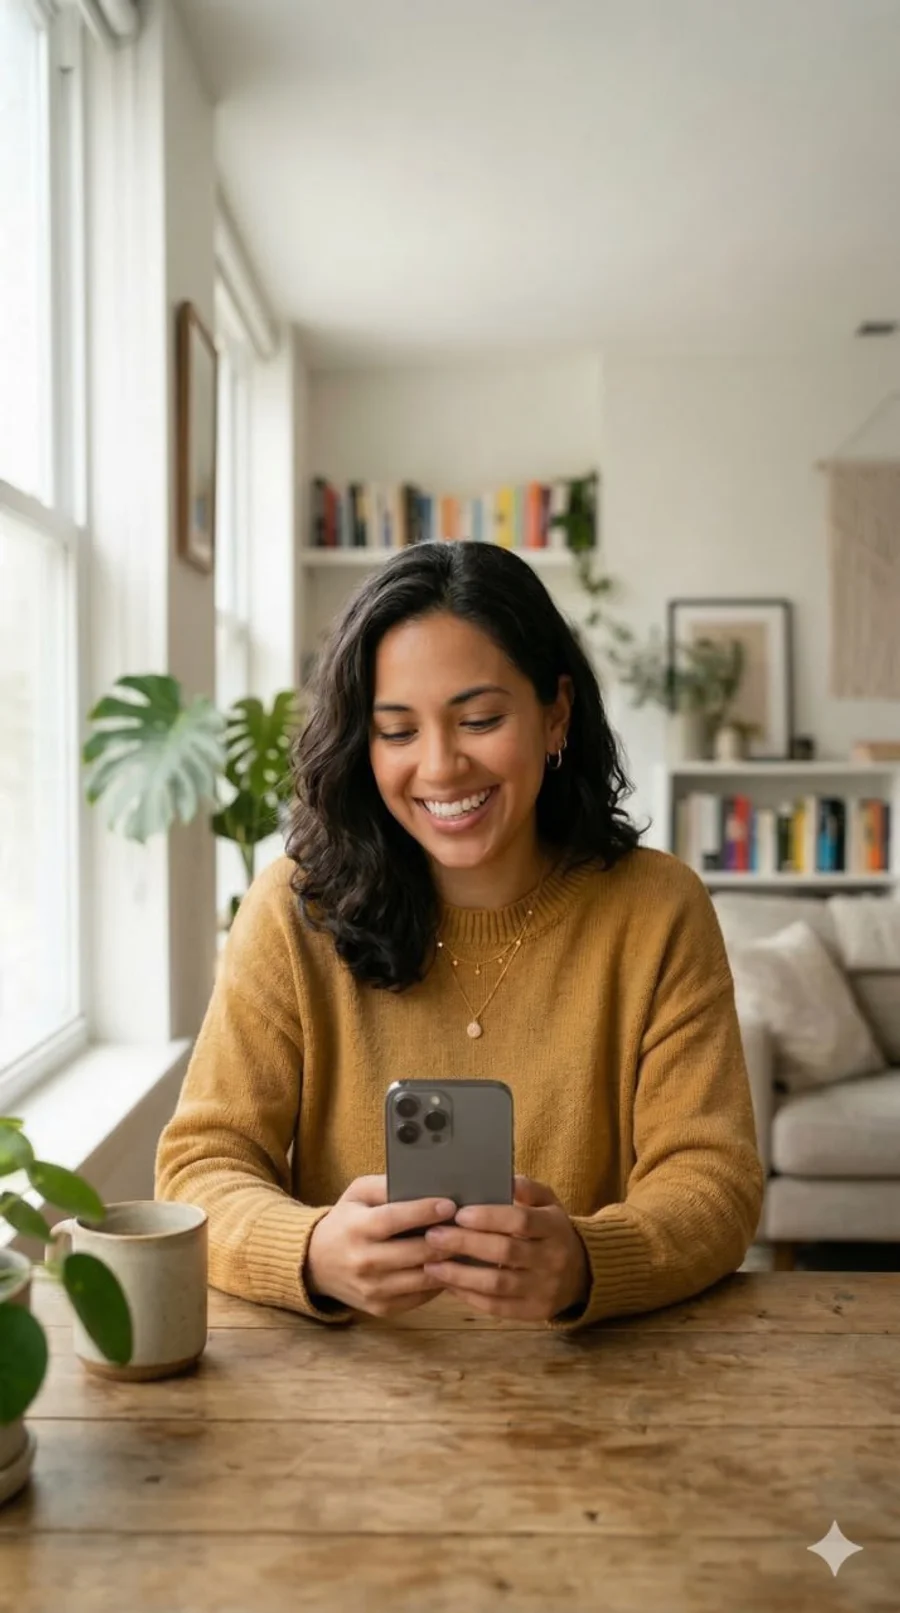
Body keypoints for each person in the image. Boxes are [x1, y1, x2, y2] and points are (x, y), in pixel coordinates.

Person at [155, 541, 764, 1331]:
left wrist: (587, 1257)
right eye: (397, 731)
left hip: (593, 1390)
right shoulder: (290, 909)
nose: (440, 767)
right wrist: (311, 1248)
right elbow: (200, 1164)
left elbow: (715, 1177)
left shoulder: (656, 908)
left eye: (479, 719)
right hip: (339, 1392)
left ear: (556, 711)